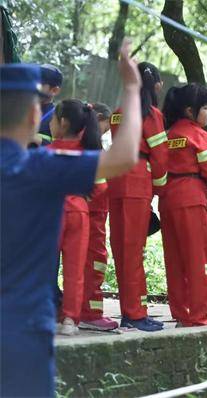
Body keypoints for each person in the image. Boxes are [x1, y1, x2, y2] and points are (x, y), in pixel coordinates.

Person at [0, 41, 142, 397]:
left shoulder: (46, 158)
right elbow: (124, 157)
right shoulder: (43, 167)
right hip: (24, 336)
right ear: (36, 117)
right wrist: (132, 87)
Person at [108, 61, 168, 332]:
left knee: (121, 249)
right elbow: (160, 156)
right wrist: (159, 189)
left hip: (116, 182)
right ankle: (135, 314)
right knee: (133, 251)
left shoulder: (118, 113)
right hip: (137, 182)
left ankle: (128, 312)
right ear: (154, 85)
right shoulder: (152, 114)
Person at [159, 84, 207, 327]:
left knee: (175, 259)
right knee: (198, 258)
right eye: (205, 108)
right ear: (189, 110)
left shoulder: (168, 134)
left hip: (167, 200)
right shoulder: (198, 134)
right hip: (192, 198)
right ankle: (202, 315)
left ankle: (182, 314)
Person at [47, 99, 103, 336]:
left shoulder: (48, 152)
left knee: (44, 267)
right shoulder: (89, 153)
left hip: (50, 212)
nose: (49, 124)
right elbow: (101, 188)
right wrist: (82, 200)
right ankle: (71, 319)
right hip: (79, 211)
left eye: (51, 119)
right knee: (75, 269)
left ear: (63, 122)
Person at [79, 103, 119, 331]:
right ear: (100, 119)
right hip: (93, 218)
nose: (106, 131)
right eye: (106, 126)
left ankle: (76, 312)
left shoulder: (78, 146)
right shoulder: (93, 152)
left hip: (86, 215)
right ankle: (91, 313)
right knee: (94, 264)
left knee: (79, 265)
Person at [34, 64, 63, 147]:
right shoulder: (20, 109)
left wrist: (38, 140)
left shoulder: (57, 116)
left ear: (55, 90)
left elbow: (60, 148)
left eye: (39, 85)